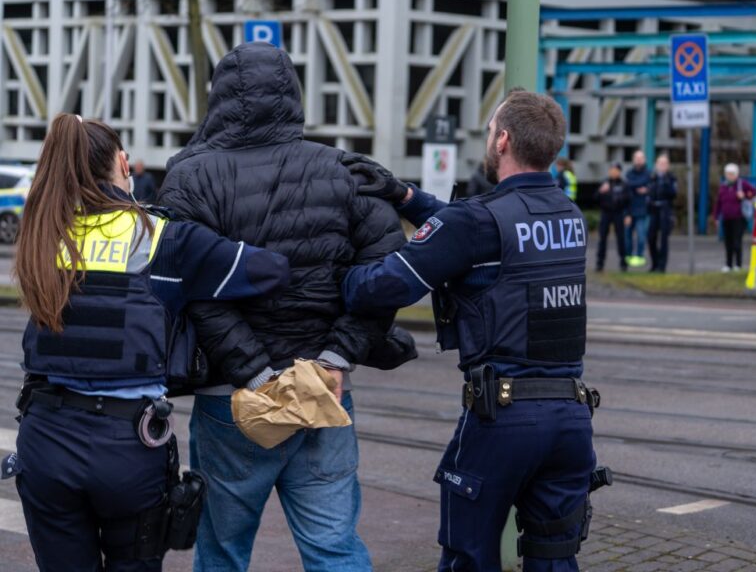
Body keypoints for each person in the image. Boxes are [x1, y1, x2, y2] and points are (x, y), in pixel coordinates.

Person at [158, 42, 409, 572]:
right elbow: (387, 271)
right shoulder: (343, 169)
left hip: (231, 397)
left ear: (218, 98)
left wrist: (256, 373)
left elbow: (191, 286)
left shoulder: (190, 177)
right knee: (334, 547)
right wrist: (336, 358)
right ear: (294, 96)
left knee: (222, 552)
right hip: (324, 390)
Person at [11, 114, 290, 572]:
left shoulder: (42, 236)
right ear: (124, 163)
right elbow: (270, 271)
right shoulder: (165, 238)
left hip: (44, 441)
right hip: (127, 448)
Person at [343, 90, 599, 572]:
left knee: (469, 558)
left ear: (502, 140)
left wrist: (331, 271)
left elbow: (376, 289)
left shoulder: (477, 223)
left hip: (502, 419)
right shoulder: (569, 216)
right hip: (571, 420)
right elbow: (477, 227)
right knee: (555, 559)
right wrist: (407, 197)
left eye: (489, 130)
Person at [713, 163, 756, 272]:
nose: (730, 176)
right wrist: (716, 216)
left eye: (732, 174)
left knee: (737, 241)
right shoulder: (723, 187)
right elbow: (718, 203)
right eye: (728, 174)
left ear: (736, 174)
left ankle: (738, 264)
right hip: (726, 218)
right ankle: (728, 264)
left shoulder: (742, 184)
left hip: (739, 218)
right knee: (728, 242)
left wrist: (745, 196)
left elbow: (754, 192)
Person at [595, 162, 630, 272]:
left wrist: (628, 215)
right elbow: (595, 198)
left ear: (619, 172)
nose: (613, 172)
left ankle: (623, 263)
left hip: (619, 213)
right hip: (606, 213)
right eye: (611, 170)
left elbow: (629, 201)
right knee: (602, 239)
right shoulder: (605, 182)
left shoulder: (624, 184)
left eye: (616, 170)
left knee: (621, 238)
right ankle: (600, 263)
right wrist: (601, 191)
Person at [647, 153, 677, 273]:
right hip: (654, 209)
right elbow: (649, 191)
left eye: (664, 163)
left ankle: (662, 266)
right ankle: (654, 263)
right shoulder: (652, 177)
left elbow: (673, 193)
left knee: (664, 239)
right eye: (660, 163)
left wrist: (665, 182)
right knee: (651, 237)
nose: (662, 166)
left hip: (665, 210)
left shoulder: (671, 178)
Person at [624, 150, 650, 267]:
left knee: (641, 236)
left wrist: (635, 185)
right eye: (637, 158)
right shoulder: (629, 173)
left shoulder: (648, 173)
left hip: (642, 210)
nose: (639, 160)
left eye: (641, 158)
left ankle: (639, 257)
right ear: (634, 159)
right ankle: (628, 256)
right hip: (629, 210)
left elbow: (644, 182)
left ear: (644, 160)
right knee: (628, 237)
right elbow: (628, 185)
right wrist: (639, 186)